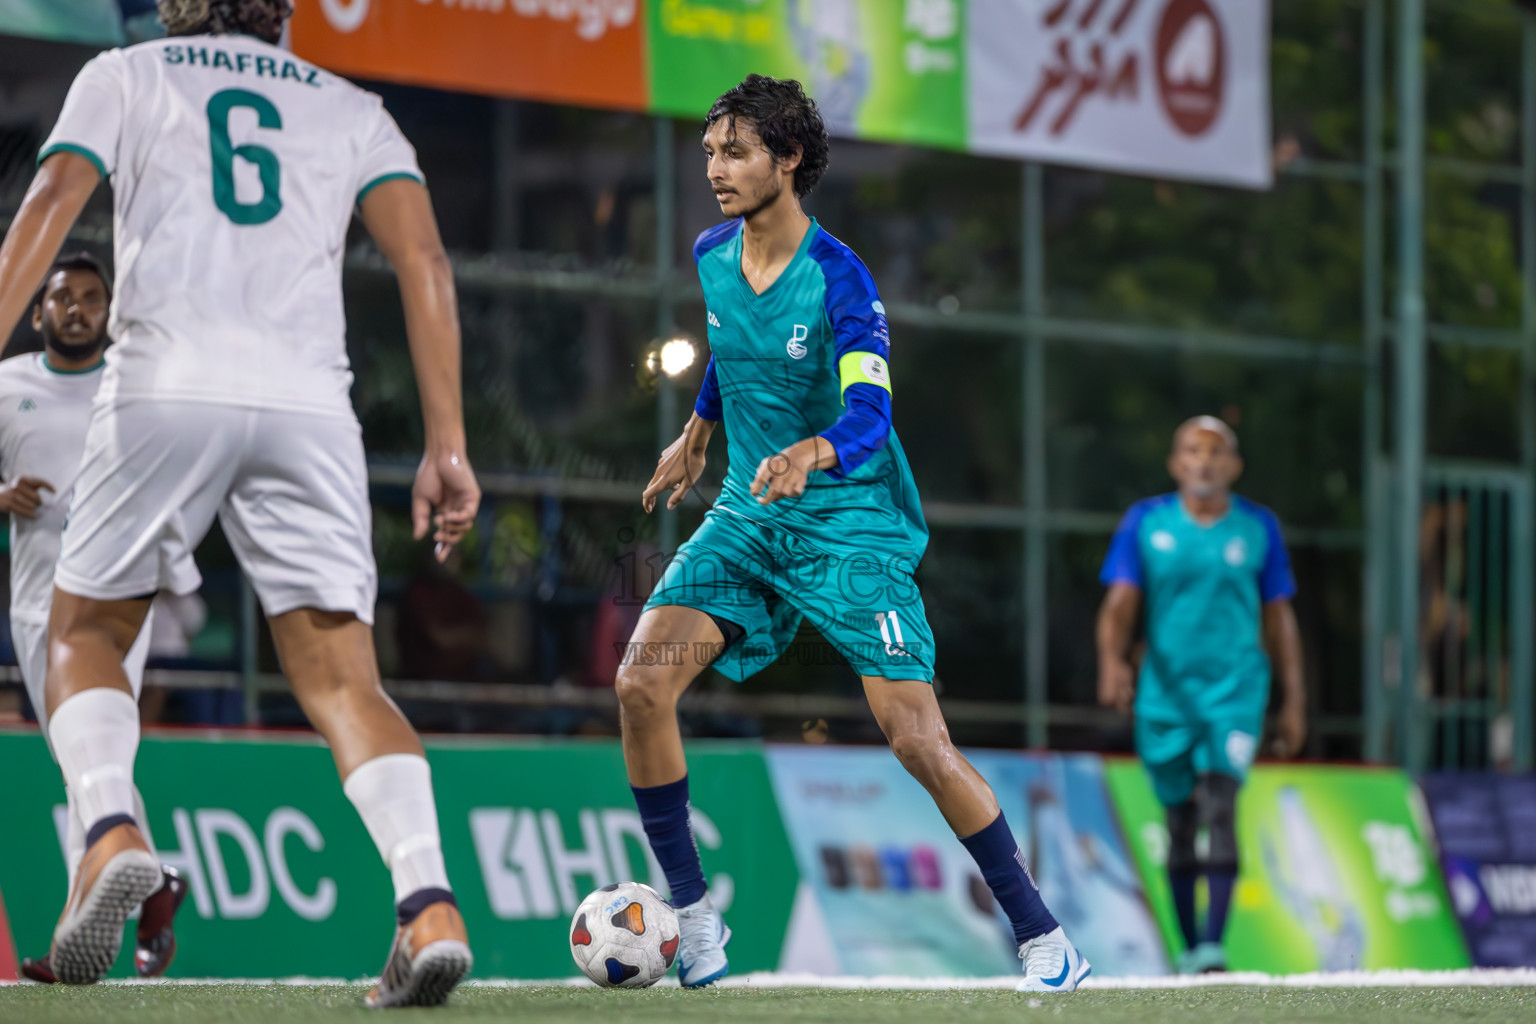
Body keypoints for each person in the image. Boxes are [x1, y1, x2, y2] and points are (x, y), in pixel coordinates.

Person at [0, 1, 481, 1005]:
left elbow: (50, 201)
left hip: (166, 381)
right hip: (308, 400)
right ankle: (428, 902)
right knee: (347, 678)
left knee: (84, 629)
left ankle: (108, 828)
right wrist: (447, 444)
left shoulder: (128, 73)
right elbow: (425, 263)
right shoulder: (354, 107)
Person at [617, 74, 1089, 992]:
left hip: (849, 526)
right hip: (749, 518)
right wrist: (698, 431)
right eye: (710, 150)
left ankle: (1042, 937)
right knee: (641, 684)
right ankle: (694, 917)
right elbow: (729, 346)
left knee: (916, 740)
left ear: (787, 161)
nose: (714, 167)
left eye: (736, 151)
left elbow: (871, 412)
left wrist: (814, 453)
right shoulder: (714, 253)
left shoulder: (842, 277)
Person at [0, 253, 187, 984]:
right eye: (61, 298)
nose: (75, 309)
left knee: (93, 752)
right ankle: (152, 885)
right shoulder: (7, 382)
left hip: (116, 598)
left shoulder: (134, 388)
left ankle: (83, 924)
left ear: (110, 311)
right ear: (39, 310)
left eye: (90, 297)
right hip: (32, 602)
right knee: (82, 760)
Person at [1096, 416, 1306, 974]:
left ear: (1234, 465)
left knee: (1221, 803)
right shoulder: (1147, 522)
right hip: (1166, 696)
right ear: (1176, 463)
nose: (1205, 461)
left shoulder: (1258, 529)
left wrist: (1294, 700)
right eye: (1193, 450)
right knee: (1181, 820)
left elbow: (1279, 618)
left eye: (1217, 452)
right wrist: (1112, 662)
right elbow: (1120, 604)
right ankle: (1190, 949)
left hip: (1235, 692)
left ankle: (1215, 947)